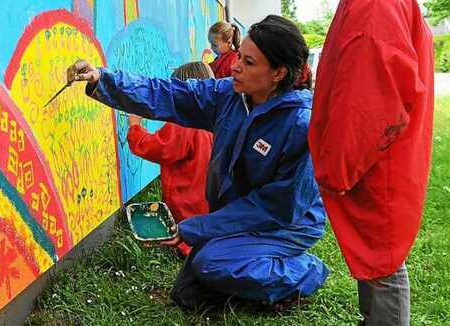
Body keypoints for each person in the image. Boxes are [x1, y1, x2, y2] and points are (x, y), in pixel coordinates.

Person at [68, 15, 328, 307]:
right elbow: (169, 93)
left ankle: (305, 272)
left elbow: (277, 208)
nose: (235, 66)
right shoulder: (229, 95)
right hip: (241, 213)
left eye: (249, 63)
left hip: (284, 224)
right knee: (188, 295)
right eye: (239, 56)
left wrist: (197, 227)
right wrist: (103, 79)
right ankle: (251, 273)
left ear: (278, 73)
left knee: (211, 263)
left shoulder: (300, 125)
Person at [308, 0, 434, 324]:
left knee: (383, 263)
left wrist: (340, 166)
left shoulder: (375, 5)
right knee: (375, 256)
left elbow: (368, 100)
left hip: (376, 158)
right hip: (383, 154)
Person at [126, 61, 215, 256]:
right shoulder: (212, 114)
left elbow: (159, 148)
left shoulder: (185, 122)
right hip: (206, 195)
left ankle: (190, 252)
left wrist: (135, 126)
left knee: (190, 239)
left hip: (188, 197)